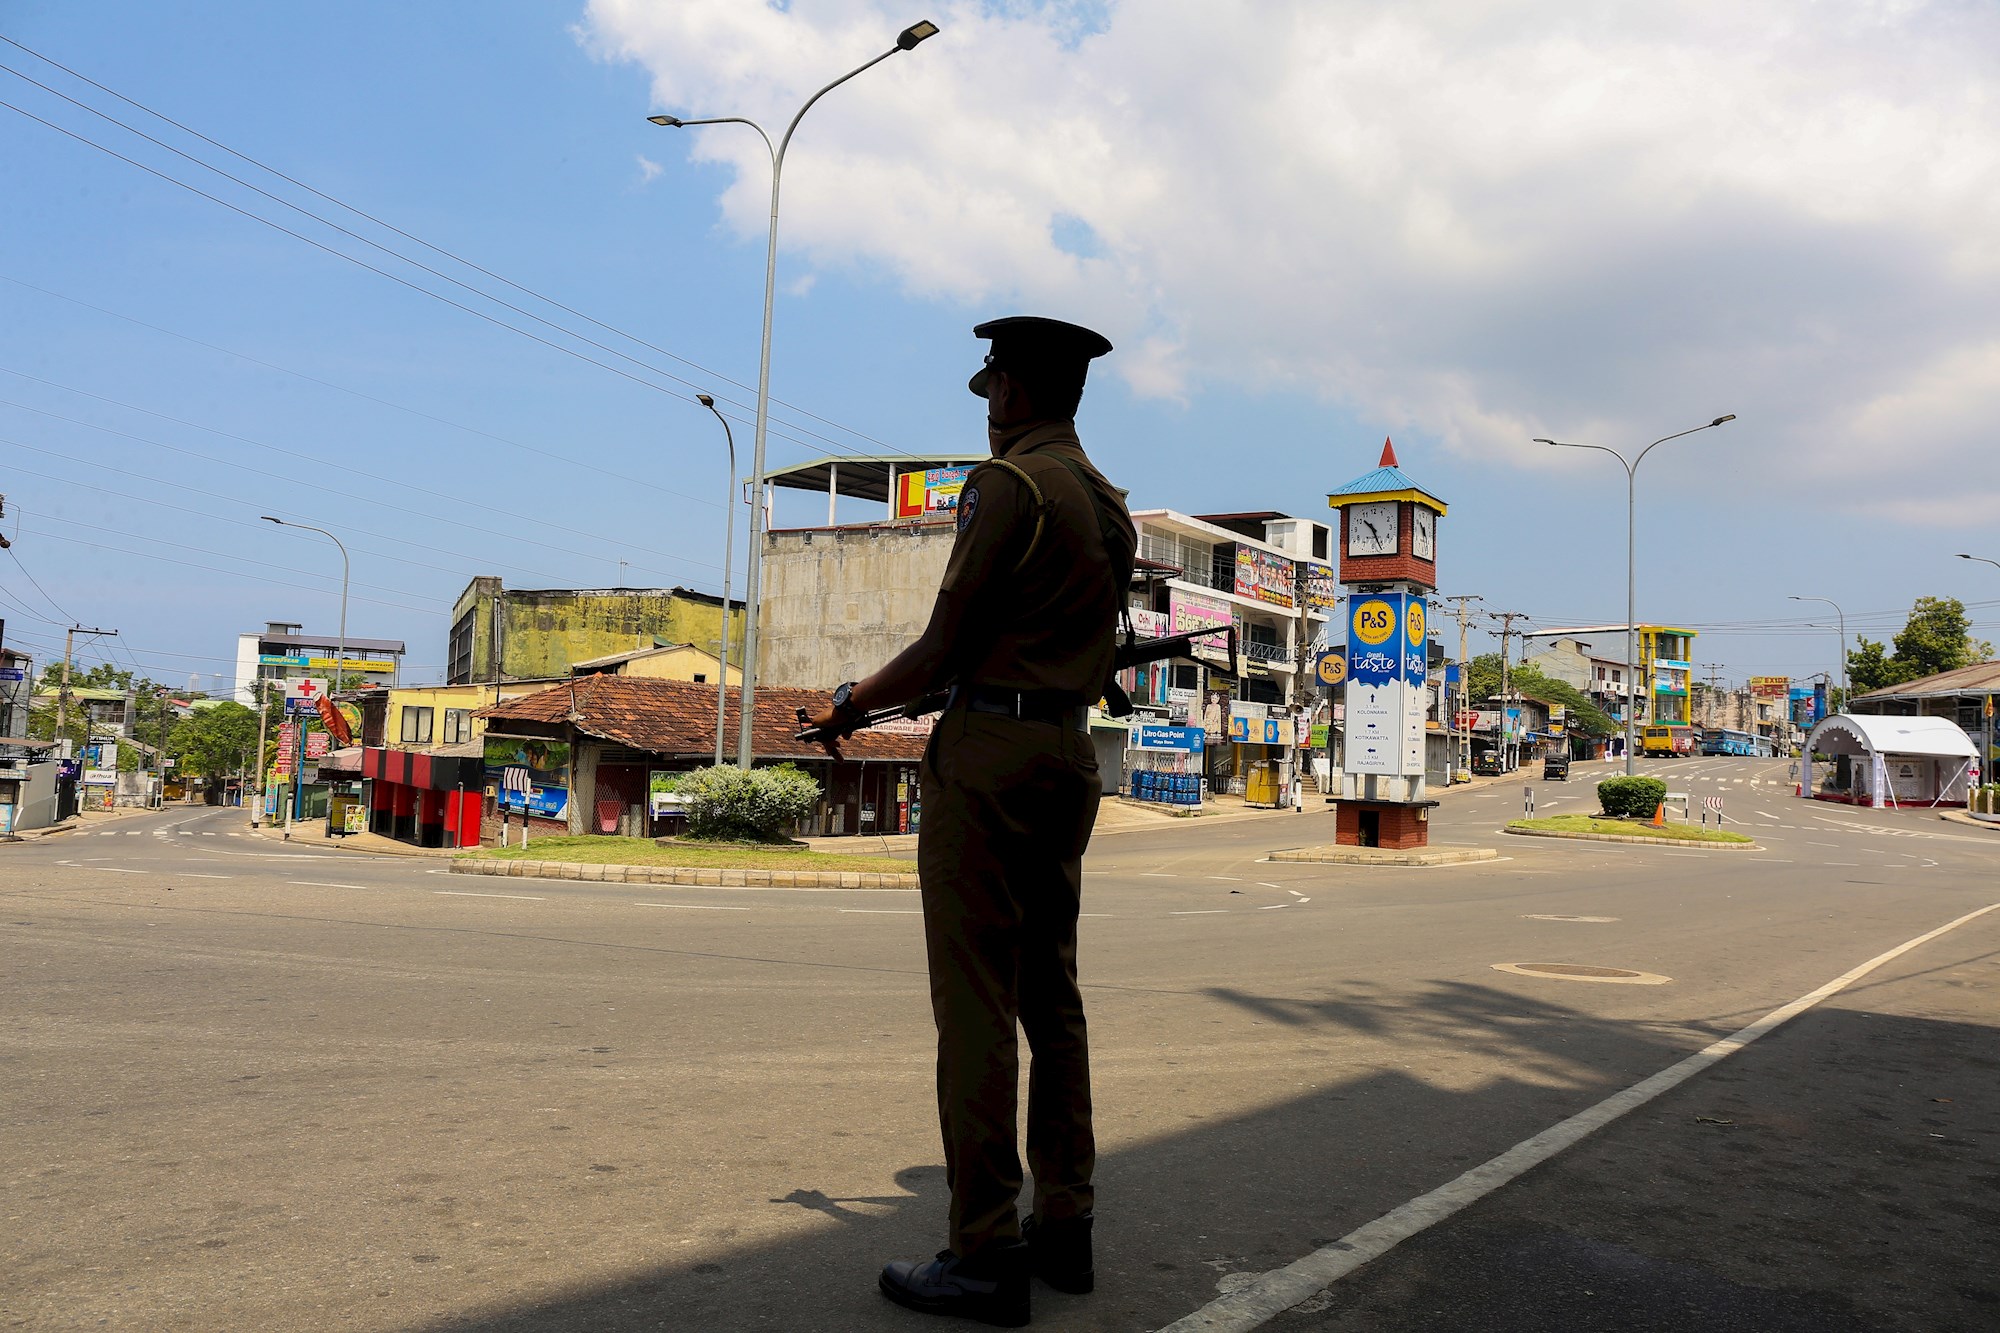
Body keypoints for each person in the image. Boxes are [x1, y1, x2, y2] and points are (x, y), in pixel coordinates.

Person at [806, 316, 1135, 1328]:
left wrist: (850, 705)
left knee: (977, 1007)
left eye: (991, 389)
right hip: (1067, 756)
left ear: (1017, 392)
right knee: (1053, 996)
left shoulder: (1009, 488)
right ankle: (1065, 1227)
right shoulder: (1106, 506)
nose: (986, 408)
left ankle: (984, 1249)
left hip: (989, 757)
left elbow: (945, 645)